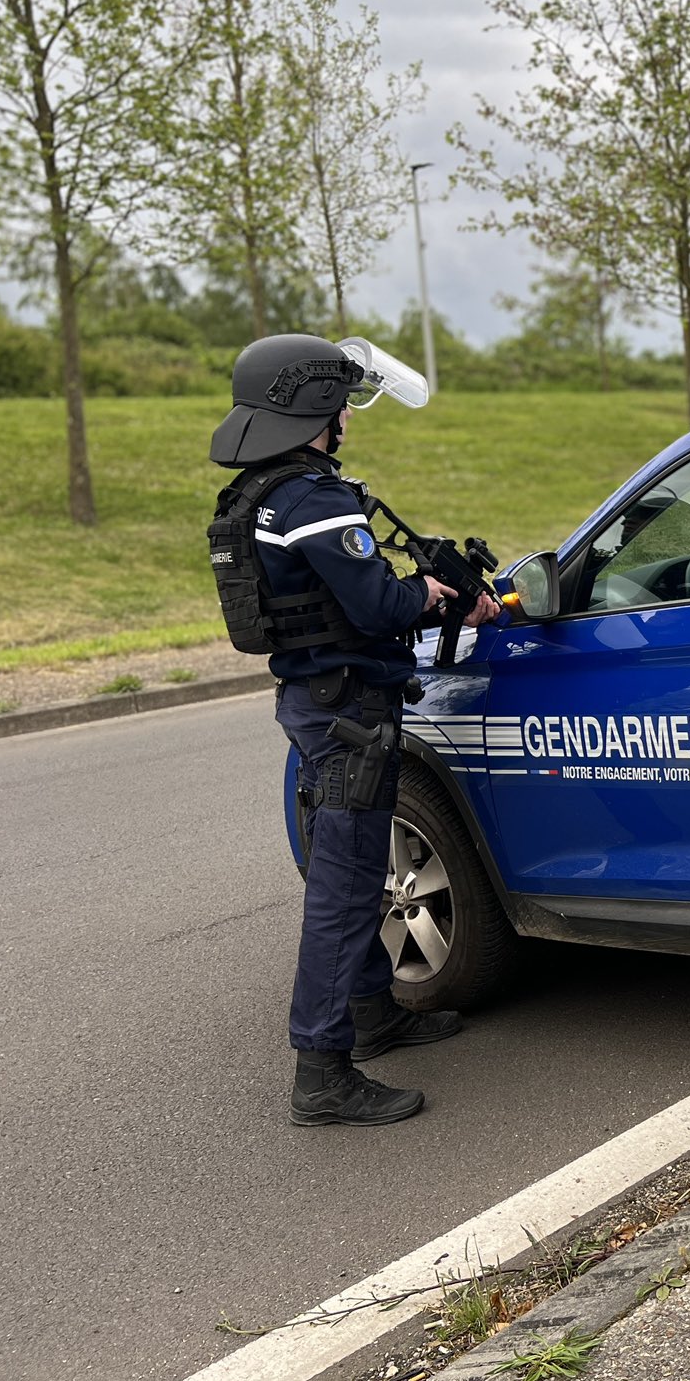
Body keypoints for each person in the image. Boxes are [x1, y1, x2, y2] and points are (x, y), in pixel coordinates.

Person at [208, 334, 500, 1126]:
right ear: (314, 407)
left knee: (361, 867)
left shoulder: (260, 494)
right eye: (342, 403)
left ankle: (373, 1014)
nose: (346, 416)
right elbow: (376, 607)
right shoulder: (315, 498)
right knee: (343, 890)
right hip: (350, 715)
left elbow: (338, 601)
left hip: (320, 700)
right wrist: (432, 594)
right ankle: (323, 1075)